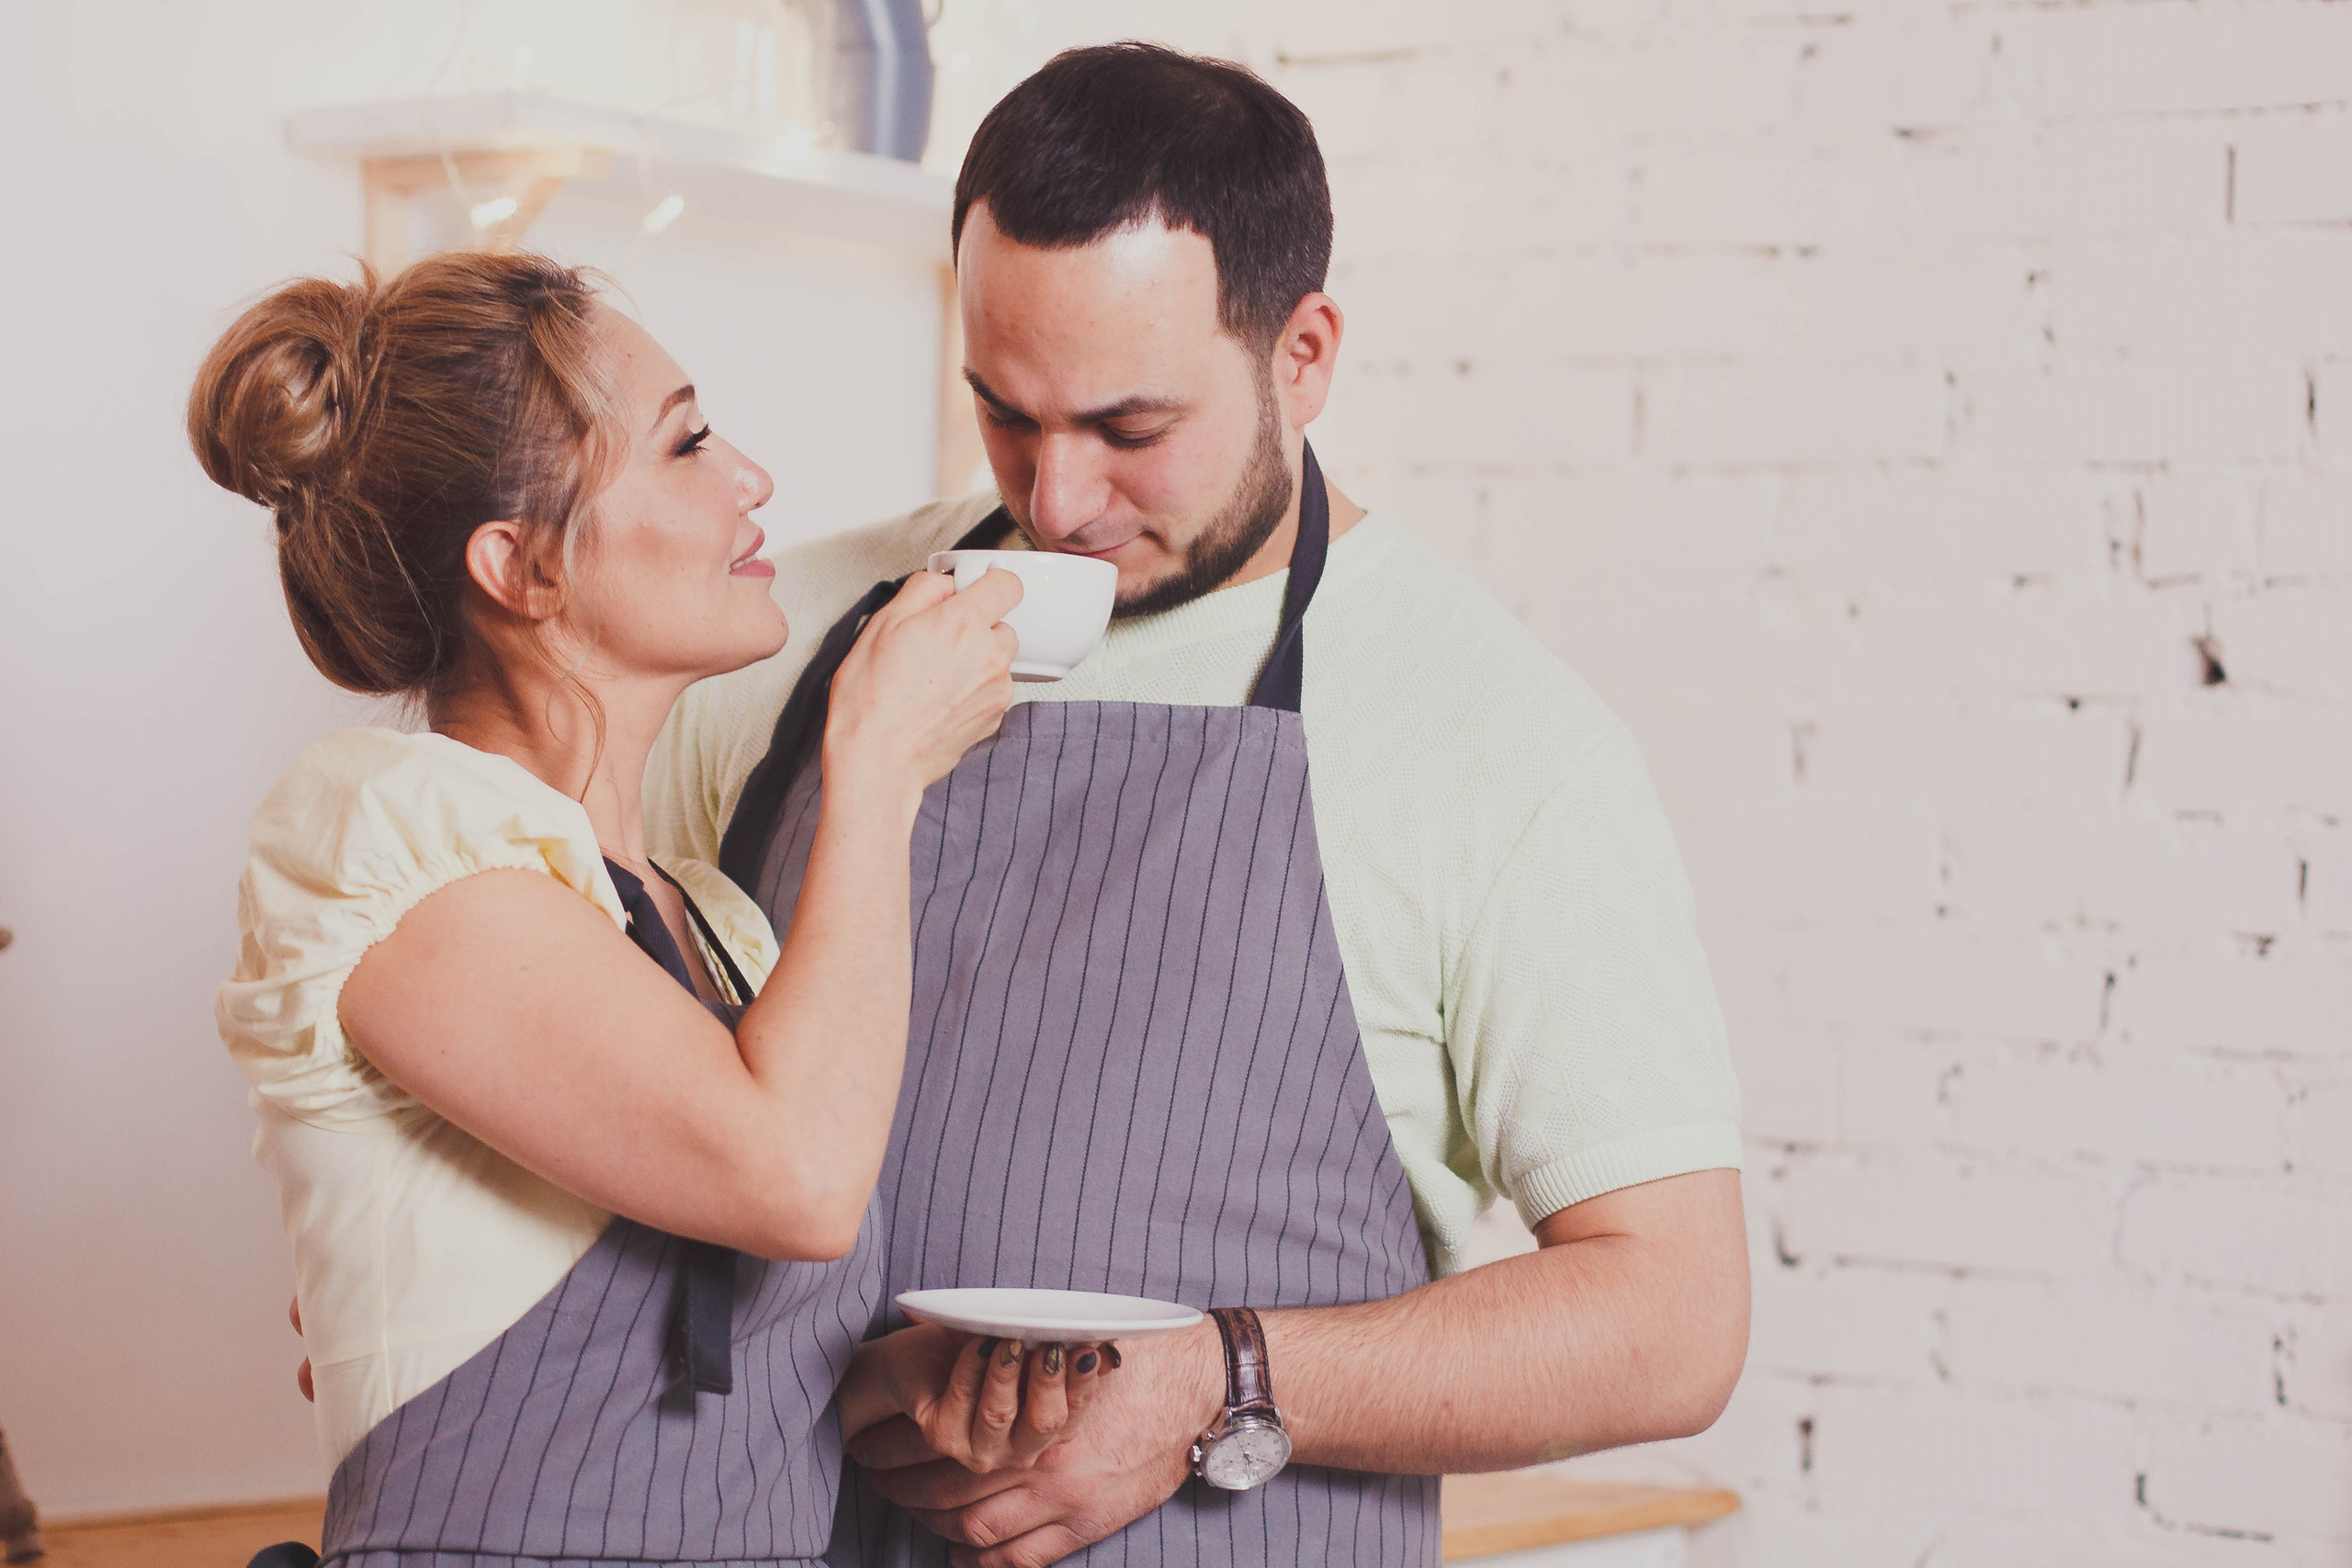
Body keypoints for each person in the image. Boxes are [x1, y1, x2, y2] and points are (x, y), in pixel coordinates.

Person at [647, 42, 1751, 1568]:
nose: (1056, 500)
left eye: (1128, 430)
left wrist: (1217, 1382)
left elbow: (1671, 1320)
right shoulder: (790, 636)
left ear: (1304, 353)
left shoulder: (1495, 739)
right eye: (1003, 412)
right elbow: (625, 1089)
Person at [199, 250, 1097, 1568]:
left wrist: (908, 1386)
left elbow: (688, 1350)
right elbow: (795, 1177)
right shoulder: (383, 841)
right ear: (523, 567)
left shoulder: (705, 920)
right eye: (685, 446)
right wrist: (883, 759)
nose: (752, 483)